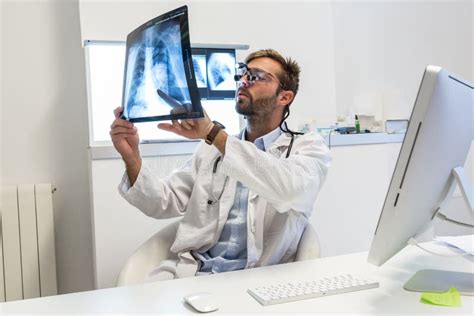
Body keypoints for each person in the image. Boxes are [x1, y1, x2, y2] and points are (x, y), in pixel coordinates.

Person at [110, 49, 331, 280]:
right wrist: (132, 156)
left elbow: (289, 189)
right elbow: (164, 202)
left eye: (255, 76)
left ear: (284, 97)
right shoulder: (212, 148)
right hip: (197, 273)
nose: (244, 81)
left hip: (261, 279)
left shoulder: (308, 148)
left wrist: (212, 133)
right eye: (242, 74)